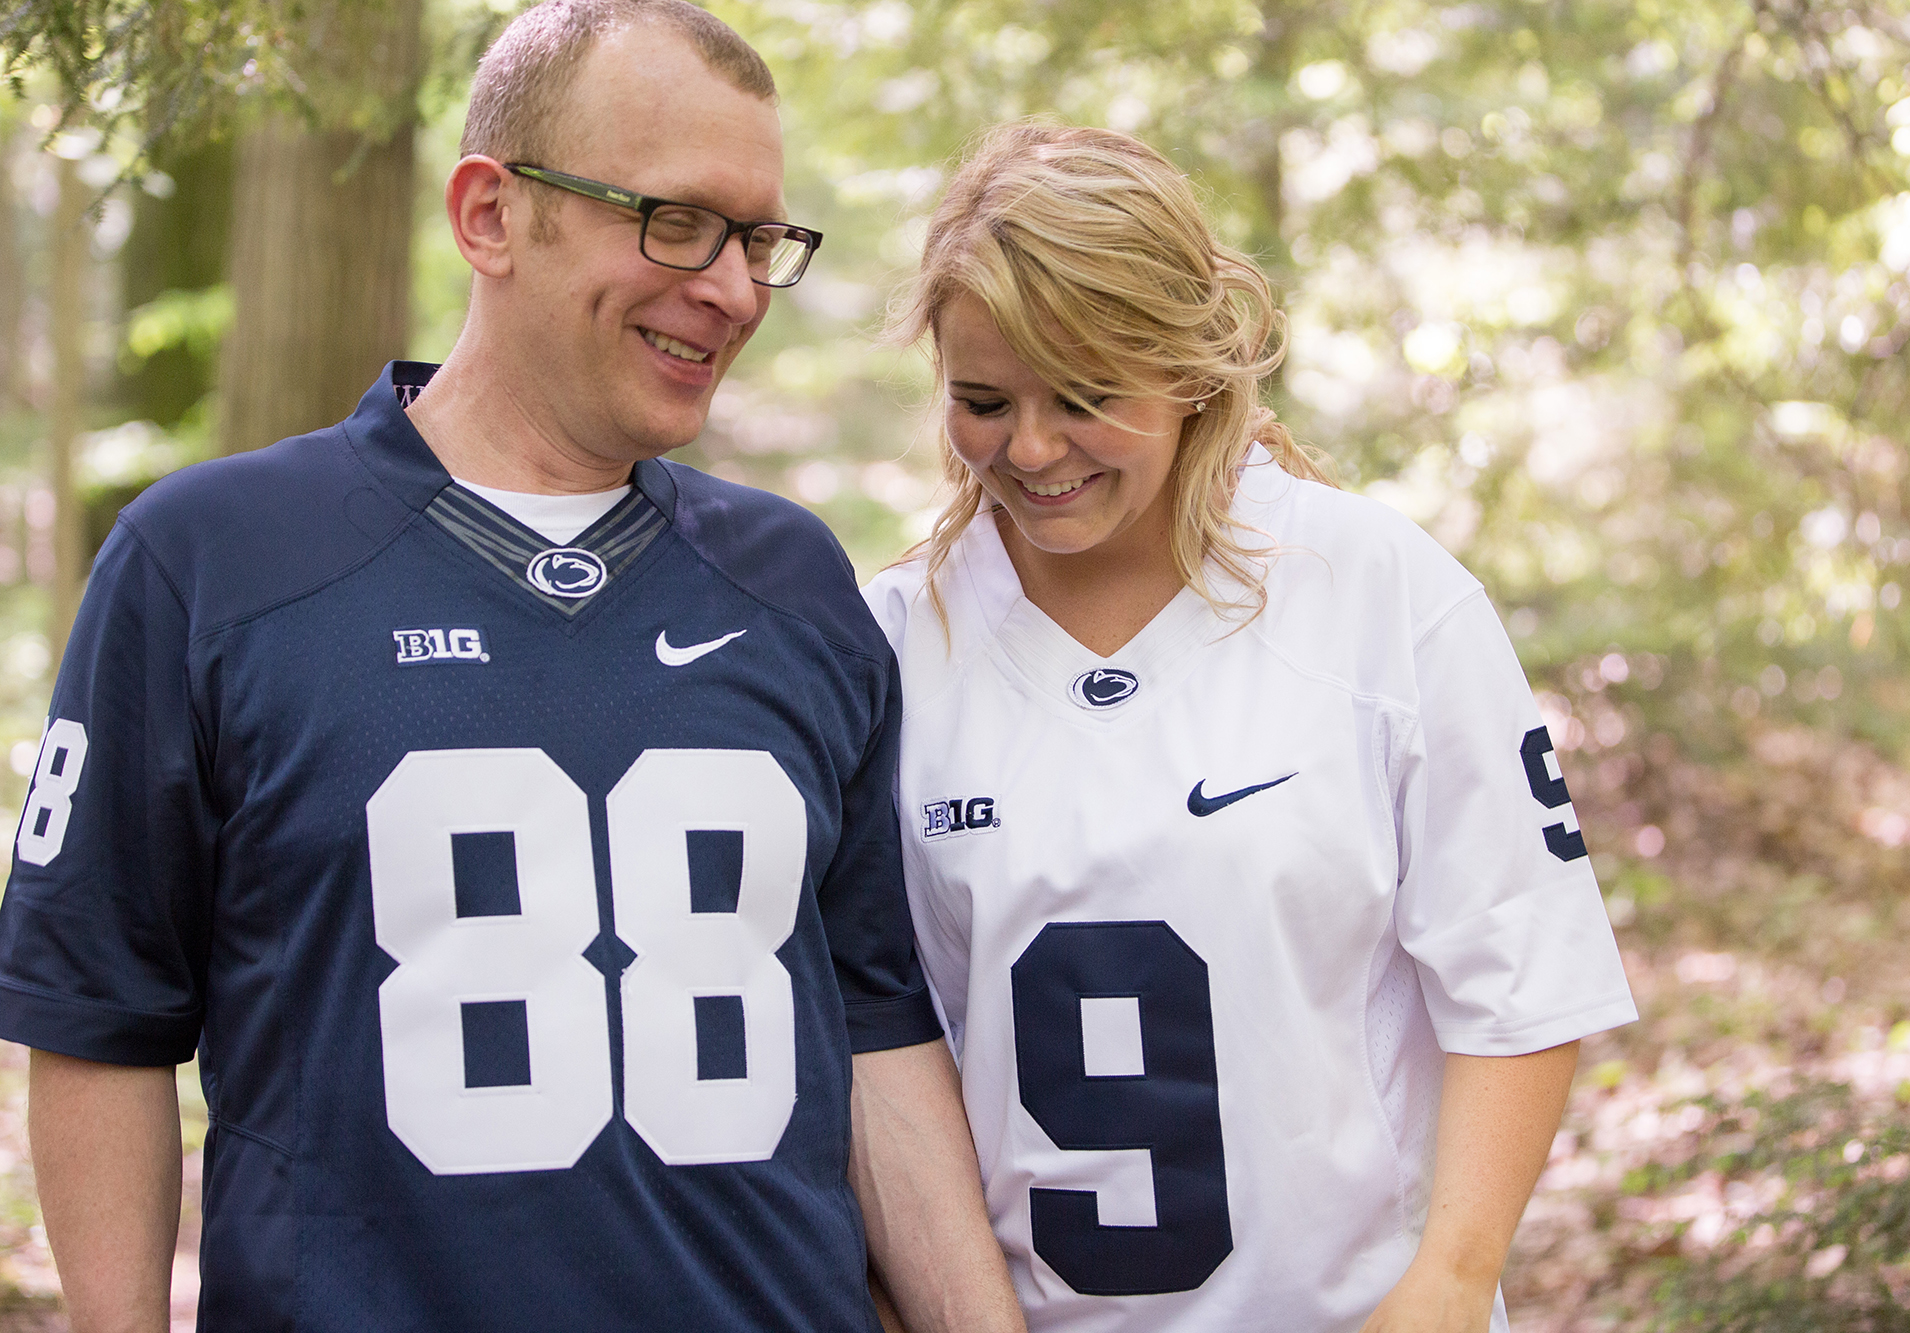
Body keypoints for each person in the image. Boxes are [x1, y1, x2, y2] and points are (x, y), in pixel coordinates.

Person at [0, 4, 1024, 1330]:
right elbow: (98, 1025)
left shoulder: (793, 583)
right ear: (490, 215)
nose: (727, 286)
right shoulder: (210, 561)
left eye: (761, 239)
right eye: (675, 220)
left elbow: (877, 1031)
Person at [862, 120, 1639, 1332]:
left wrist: (1446, 1282)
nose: (1027, 448)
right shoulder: (894, 645)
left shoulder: (1376, 590)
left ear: (1187, 365)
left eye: (1082, 396)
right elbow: (884, 1051)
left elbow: (1522, 988)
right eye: (981, 400)